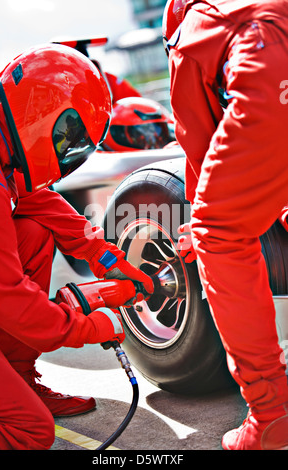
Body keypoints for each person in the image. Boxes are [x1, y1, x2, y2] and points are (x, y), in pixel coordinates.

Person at [0, 43, 153, 450]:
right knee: (29, 432)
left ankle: (18, 378)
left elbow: (47, 207)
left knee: (34, 232)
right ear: (41, 115)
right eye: (71, 140)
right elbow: (7, 298)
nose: (70, 154)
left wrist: (108, 258)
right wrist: (84, 326)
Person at [163, 0, 288, 450]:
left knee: (219, 233)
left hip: (269, 67)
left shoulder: (188, 35)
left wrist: (200, 224)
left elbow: (199, 143)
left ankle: (271, 414)